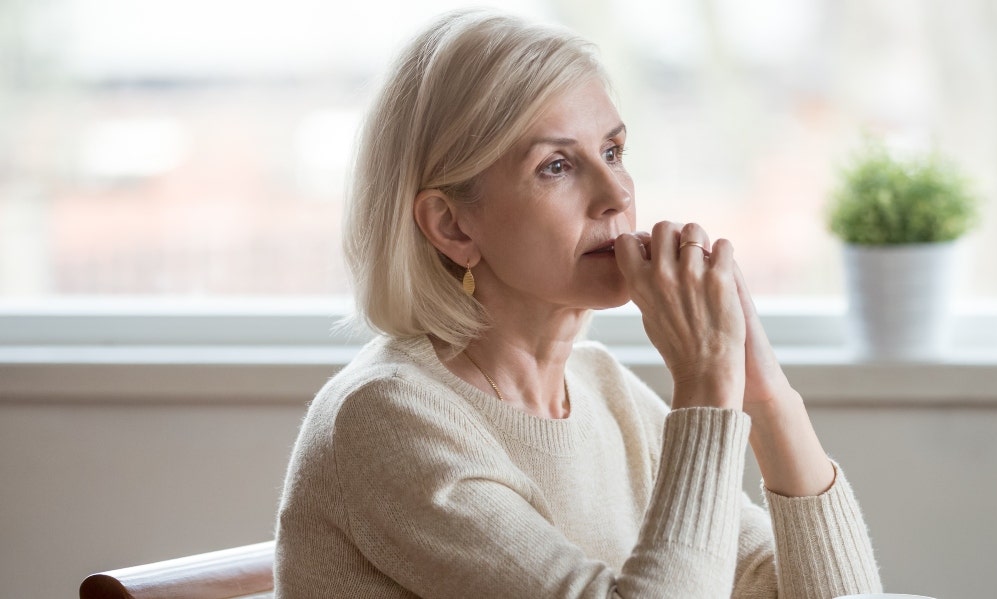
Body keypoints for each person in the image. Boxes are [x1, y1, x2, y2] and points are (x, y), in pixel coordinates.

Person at [275, 9, 882, 599]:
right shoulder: (387, 420)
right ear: (452, 225)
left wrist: (762, 390)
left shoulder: (604, 393)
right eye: (557, 166)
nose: (616, 193)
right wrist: (703, 385)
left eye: (614, 152)